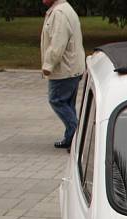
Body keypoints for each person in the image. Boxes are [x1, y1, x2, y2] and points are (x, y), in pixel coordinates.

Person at [40, 0, 85, 150]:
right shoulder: (64, 9)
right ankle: (71, 137)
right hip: (72, 67)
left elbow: (57, 44)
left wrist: (48, 65)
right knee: (67, 103)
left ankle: (79, 135)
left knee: (57, 100)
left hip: (64, 69)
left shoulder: (59, 13)